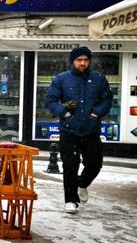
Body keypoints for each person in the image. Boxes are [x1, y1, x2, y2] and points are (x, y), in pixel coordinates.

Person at [44, 46, 112, 214]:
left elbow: (107, 99)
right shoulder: (61, 79)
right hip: (69, 130)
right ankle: (71, 200)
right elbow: (50, 100)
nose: (83, 63)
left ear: (89, 61)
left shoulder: (99, 79)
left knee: (95, 164)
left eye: (86, 60)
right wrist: (64, 113)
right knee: (70, 166)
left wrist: (97, 113)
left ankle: (82, 183)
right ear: (73, 61)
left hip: (91, 130)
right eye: (79, 60)